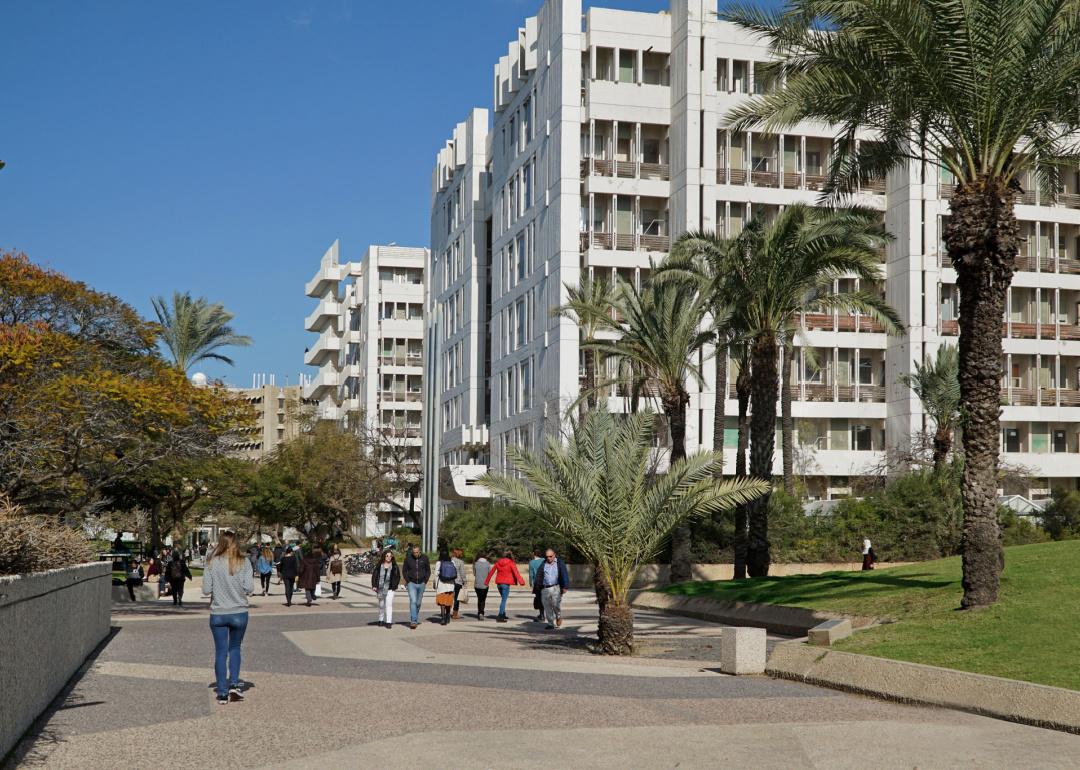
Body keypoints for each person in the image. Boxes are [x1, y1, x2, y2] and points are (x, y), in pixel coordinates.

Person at [202, 531, 253, 706]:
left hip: (218, 612)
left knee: (220, 652)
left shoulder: (211, 562)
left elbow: (206, 589)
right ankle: (234, 683)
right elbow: (249, 587)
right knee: (235, 648)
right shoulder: (244, 561)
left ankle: (222, 692)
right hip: (239, 611)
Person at [533, 548, 570, 630]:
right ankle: (550, 623)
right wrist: (537, 588)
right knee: (547, 606)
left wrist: (565, 586)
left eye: (550, 556)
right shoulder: (543, 564)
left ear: (554, 555)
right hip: (545, 588)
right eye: (547, 556)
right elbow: (538, 576)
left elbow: (564, 574)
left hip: (556, 587)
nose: (548, 558)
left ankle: (558, 616)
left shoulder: (560, 563)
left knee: (556, 605)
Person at [485, 550, 525, 623]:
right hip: (505, 584)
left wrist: (486, 581)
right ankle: (500, 616)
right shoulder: (511, 563)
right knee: (503, 601)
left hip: (499, 584)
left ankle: (503, 614)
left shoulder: (498, 562)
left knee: (503, 599)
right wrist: (521, 582)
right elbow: (516, 573)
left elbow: (491, 572)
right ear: (510, 556)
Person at [402, 544, 430, 629]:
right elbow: (404, 570)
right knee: (413, 601)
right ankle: (413, 621)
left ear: (419, 551)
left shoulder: (425, 558)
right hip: (411, 583)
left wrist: (425, 581)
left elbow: (428, 570)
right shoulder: (408, 558)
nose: (415, 554)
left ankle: (415, 616)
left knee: (418, 603)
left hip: (421, 583)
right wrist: (408, 581)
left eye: (417, 552)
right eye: (414, 552)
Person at [371, 549, 399, 628]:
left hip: (390, 589)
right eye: (387, 556)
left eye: (390, 556)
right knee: (381, 605)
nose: (389, 557)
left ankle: (389, 622)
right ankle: (380, 619)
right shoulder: (379, 565)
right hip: (381, 588)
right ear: (384, 556)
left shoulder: (394, 566)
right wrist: (374, 585)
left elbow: (397, 577)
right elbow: (375, 576)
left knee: (389, 605)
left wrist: (395, 585)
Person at [432, 548, 457, 625]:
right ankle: (448, 617)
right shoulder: (452, 562)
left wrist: (435, 585)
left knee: (442, 603)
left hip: (442, 586)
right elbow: (455, 574)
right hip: (450, 586)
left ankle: (443, 618)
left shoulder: (439, 563)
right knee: (448, 602)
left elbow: (436, 575)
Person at [473, 553, 492, 620]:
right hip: (485, 584)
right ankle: (481, 613)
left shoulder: (475, 563)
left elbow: (474, 574)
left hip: (477, 584)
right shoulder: (488, 564)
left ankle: (479, 612)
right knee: (483, 599)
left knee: (479, 598)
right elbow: (490, 573)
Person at [528, 549, 544, 622]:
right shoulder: (544, 560)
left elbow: (531, 575)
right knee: (545, 599)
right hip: (545, 582)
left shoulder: (531, 562)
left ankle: (542, 615)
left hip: (537, 583)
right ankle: (544, 615)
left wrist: (530, 584)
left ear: (534, 554)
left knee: (539, 599)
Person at [450, 547, 467, 620]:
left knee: (449, 597)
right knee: (456, 598)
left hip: (449, 581)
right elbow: (462, 573)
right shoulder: (460, 562)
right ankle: (455, 614)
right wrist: (465, 581)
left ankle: (446, 612)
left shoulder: (449, 560)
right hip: (458, 582)